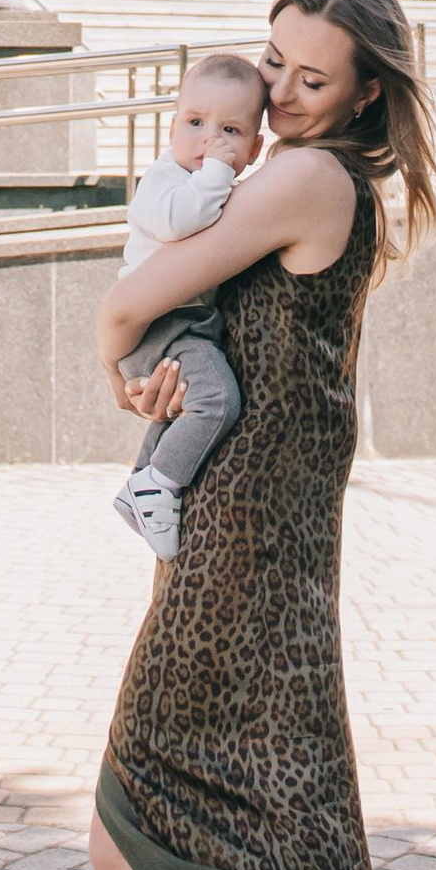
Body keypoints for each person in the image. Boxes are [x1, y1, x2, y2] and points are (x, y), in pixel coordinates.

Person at [88, 0, 436, 870]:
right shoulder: (318, 178)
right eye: (275, 63)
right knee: (209, 819)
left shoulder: (306, 178)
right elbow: (210, 323)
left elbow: (133, 297)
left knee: (132, 828)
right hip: (257, 524)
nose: (282, 94)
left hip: (248, 543)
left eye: (311, 77)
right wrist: (164, 381)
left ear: (364, 91)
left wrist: (121, 345)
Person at [110, 51, 268, 558]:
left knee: (179, 409)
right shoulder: (165, 180)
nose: (210, 141)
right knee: (215, 401)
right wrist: (220, 174)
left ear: (256, 147)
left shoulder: (215, 184)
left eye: (230, 132)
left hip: (182, 322)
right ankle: (159, 485)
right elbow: (179, 222)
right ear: (173, 125)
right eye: (196, 122)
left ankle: (140, 483)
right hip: (161, 324)